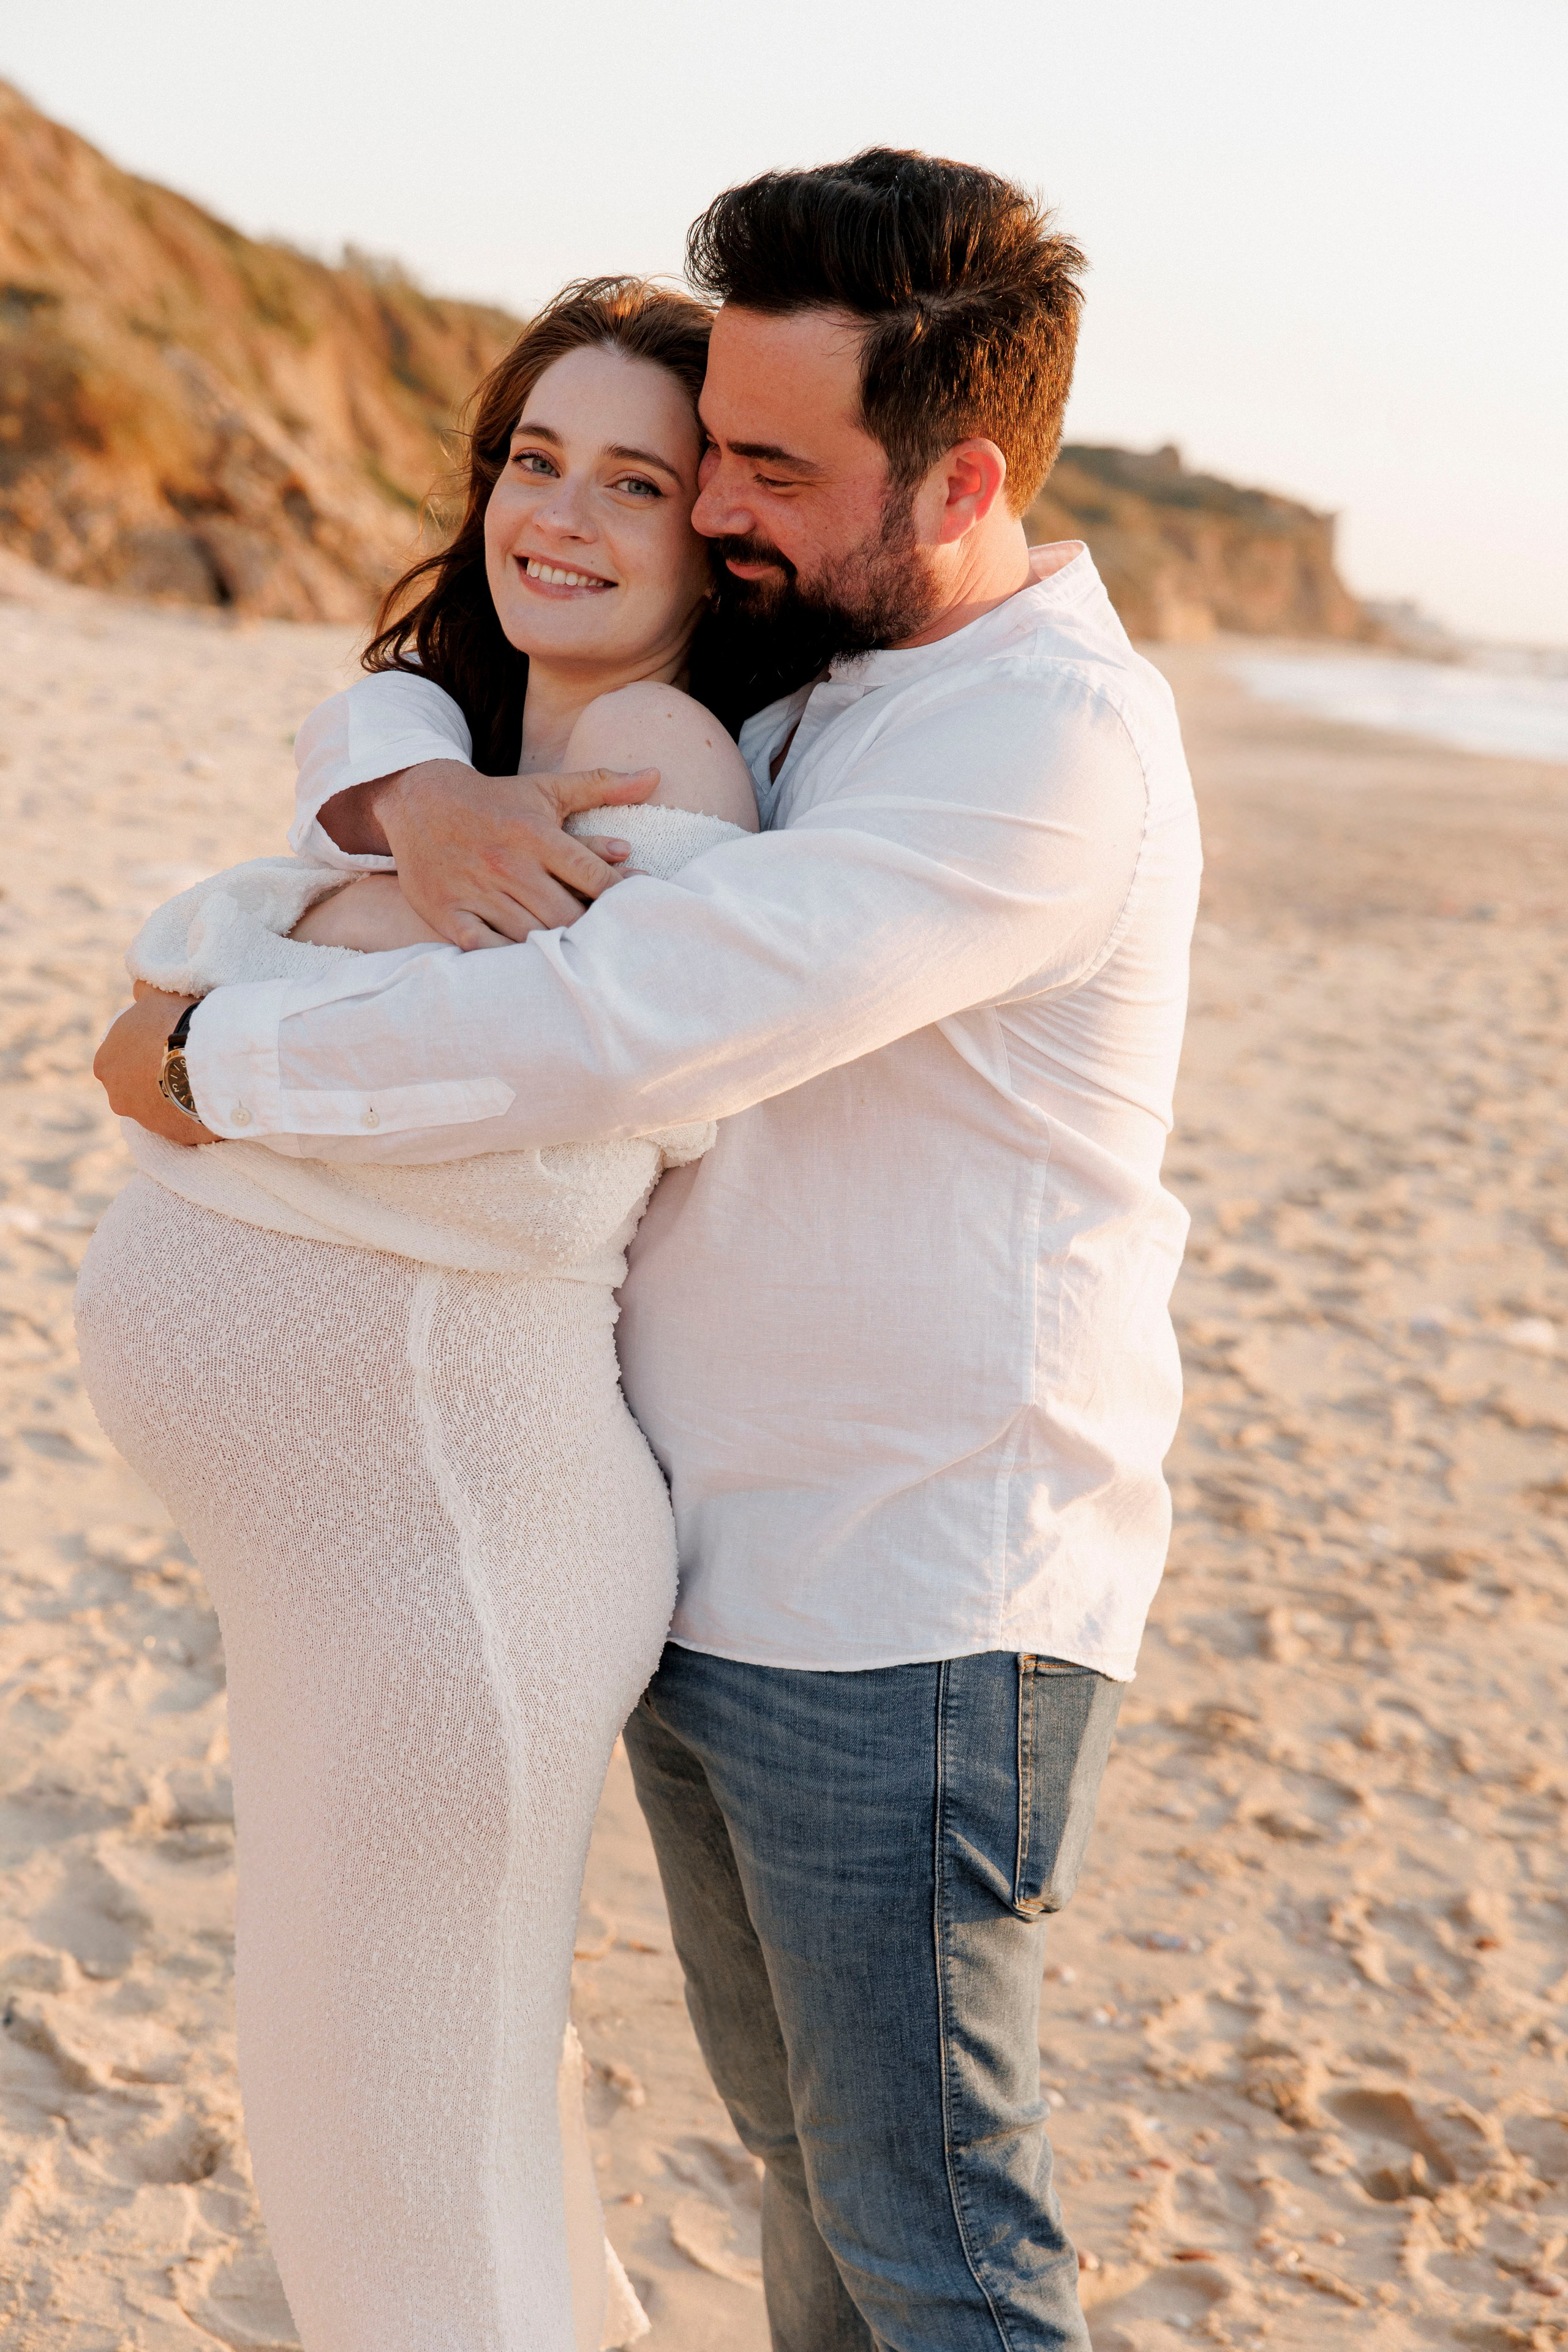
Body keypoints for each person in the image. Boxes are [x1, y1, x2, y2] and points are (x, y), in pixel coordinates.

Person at [98, 149, 1203, 2351]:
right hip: (721, 1558)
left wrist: (210, 1052)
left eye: (763, 470)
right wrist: (401, 790)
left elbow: (621, 1026)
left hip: (908, 1594)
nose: (713, 508)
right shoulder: (827, 672)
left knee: (926, 2235)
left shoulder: (1038, 752)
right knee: (805, 2168)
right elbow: (446, 688)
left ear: (960, 478)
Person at [77, 277, 767, 2352]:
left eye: (633, 481)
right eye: (534, 459)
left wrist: (240, 988)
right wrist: (340, 901)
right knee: (442, 2148)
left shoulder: (657, 757)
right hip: (363, 1567)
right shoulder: (474, 746)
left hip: (452, 1566)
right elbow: (193, 989)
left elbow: (551, 1139)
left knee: (400, 2190)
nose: (560, 512)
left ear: (713, 532)